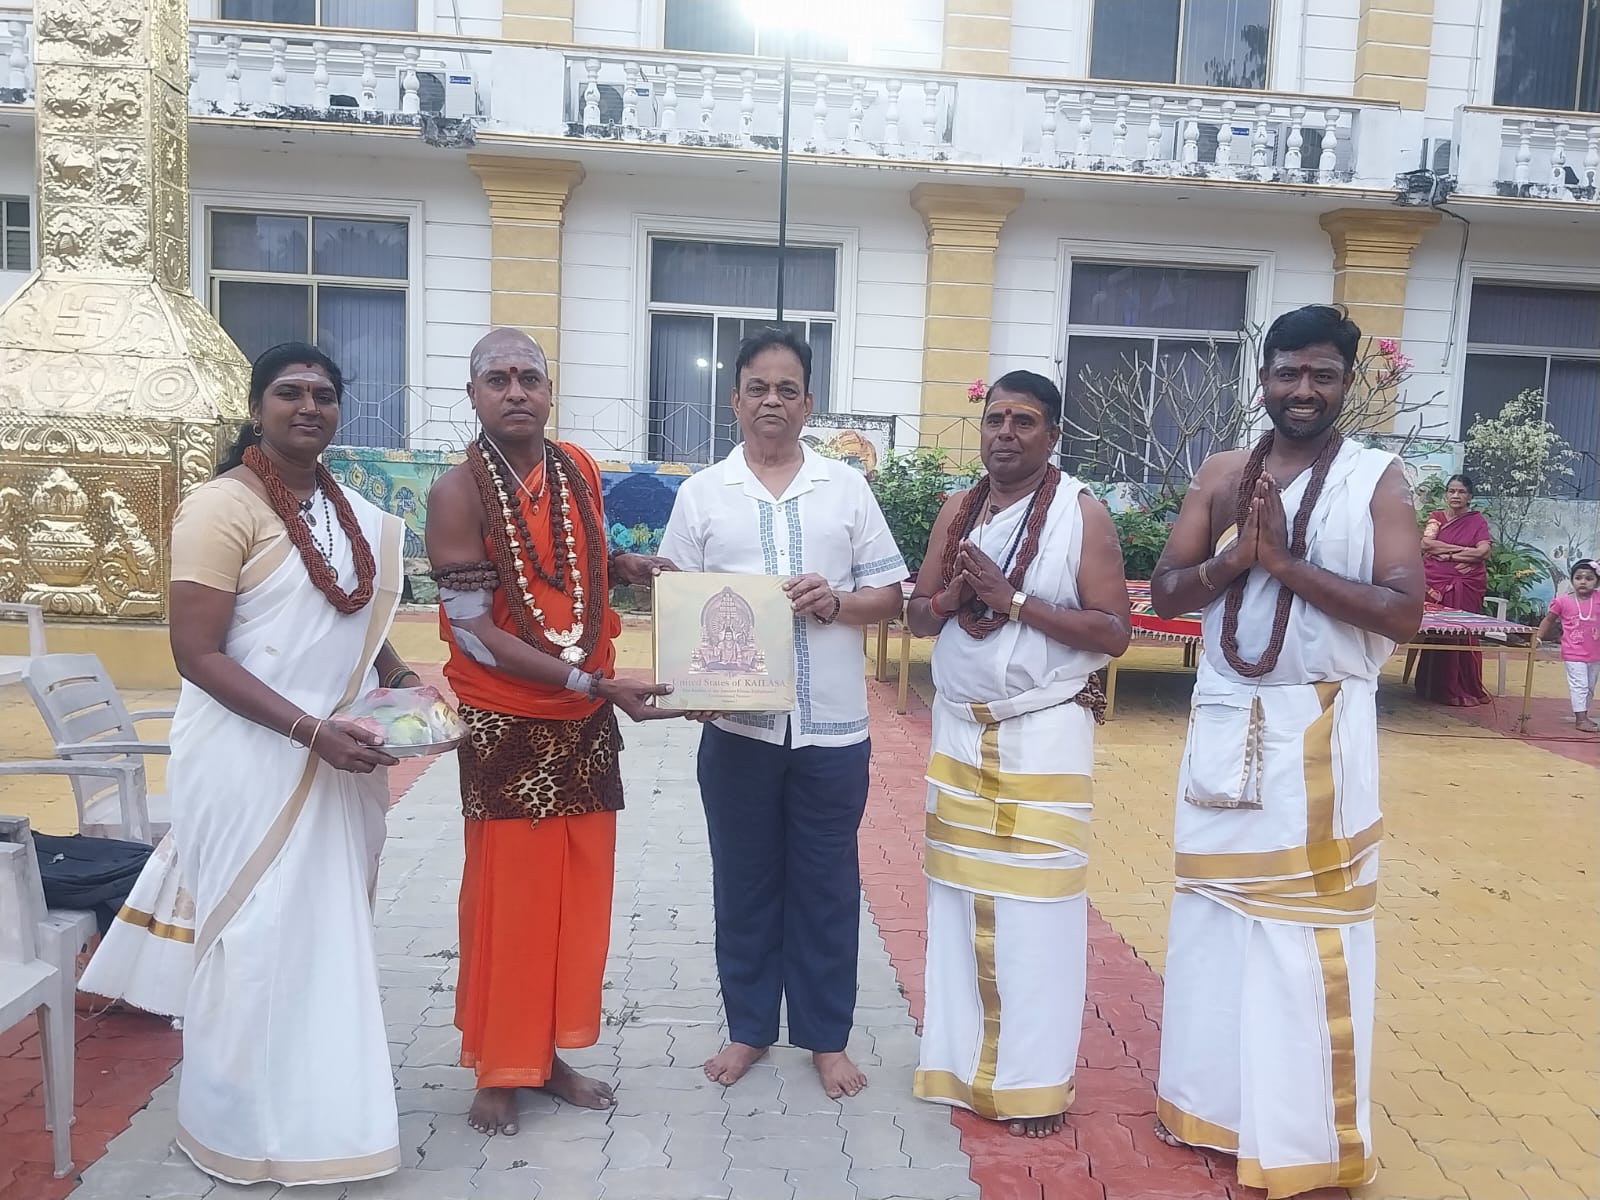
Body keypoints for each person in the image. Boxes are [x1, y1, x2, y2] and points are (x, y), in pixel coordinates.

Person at [82, 343, 416, 1185]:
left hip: (333, 751)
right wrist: (309, 730)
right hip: (246, 758)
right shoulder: (220, 506)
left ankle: (326, 1120)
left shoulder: (347, 511)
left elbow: (353, 616)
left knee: (323, 936)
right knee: (253, 936)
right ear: (258, 405)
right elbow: (196, 653)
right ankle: (233, 1128)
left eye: (324, 394)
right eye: (289, 392)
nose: (308, 406)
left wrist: (403, 680)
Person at [1148, 305, 1424, 1199]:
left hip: (1320, 730)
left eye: (1322, 375)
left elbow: (1403, 611)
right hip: (1226, 721)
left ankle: (1307, 1141)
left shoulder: (1379, 479)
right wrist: (1235, 561)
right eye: (1288, 373)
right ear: (1262, 378)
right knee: (1215, 928)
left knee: (1307, 939)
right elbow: (1167, 589)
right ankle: (1215, 1111)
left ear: (1347, 383)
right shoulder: (1222, 473)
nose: (1303, 390)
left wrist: (1285, 563)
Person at [424, 328, 680, 1138]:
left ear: (548, 389)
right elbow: (474, 633)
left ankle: (546, 1055)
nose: (516, 391)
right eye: (497, 378)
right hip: (509, 721)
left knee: (577, 897)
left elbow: (570, 560)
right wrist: (591, 683)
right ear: (473, 395)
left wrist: (626, 568)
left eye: (529, 377)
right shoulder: (456, 493)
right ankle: (498, 1067)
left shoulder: (576, 467)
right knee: (511, 900)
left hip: (584, 718)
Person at [657, 328, 907, 1099]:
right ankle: (749, 1028)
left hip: (832, 729)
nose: (772, 401)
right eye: (758, 388)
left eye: (787, 389)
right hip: (738, 730)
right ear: (735, 399)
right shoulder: (704, 494)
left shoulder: (845, 489)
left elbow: (890, 596)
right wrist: (689, 685)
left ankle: (826, 1038)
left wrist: (835, 601)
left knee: (828, 886)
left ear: (808, 403)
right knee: (744, 881)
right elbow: (677, 600)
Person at [906, 372, 1130, 1138]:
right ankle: (958, 1066)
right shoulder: (958, 510)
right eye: (995, 418)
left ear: (1052, 435)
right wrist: (950, 600)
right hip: (959, 732)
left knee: (1037, 912)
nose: (1005, 432)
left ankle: (1034, 1085)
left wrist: (1015, 602)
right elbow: (918, 618)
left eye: (1024, 420)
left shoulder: (1081, 513)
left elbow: (1115, 632)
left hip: (1044, 733)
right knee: (957, 899)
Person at [1412, 474, 1492, 706]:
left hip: (1466, 584)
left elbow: (1483, 552)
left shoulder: (1477, 522)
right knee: (1439, 632)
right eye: (1451, 491)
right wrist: (1462, 550)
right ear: (1446, 494)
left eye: (1461, 491)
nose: (1456, 495)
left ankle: (1464, 686)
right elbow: (1426, 543)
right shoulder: (1436, 518)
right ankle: (1434, 687)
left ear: (1470, 496)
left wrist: (1446, 554)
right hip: (1436, 583)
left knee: (1463, 632)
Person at [1536, 559, 1600, 733]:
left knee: (1589, 687)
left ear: (1597, 582)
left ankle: (1584, 714)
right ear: (1572, 581)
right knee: (1579, 685)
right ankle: (1581, 719)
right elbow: (1548, 620)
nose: (1583, 581)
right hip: (1573, 652)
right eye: (1578, 578)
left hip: (1595, 653)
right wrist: (1538, 637)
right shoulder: (1562, 601)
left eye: (1589, 578)